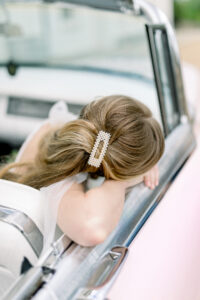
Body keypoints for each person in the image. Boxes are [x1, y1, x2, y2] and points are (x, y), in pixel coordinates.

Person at [0, 95, 164, 250]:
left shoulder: (54, 126)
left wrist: (126, 165)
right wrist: (123, 179)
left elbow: (102, 139)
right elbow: (92, 229)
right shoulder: (63, 183)